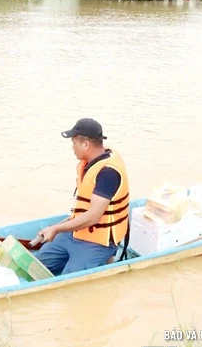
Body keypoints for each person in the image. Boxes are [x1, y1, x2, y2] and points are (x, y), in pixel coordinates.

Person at [33, 118, 130, 276]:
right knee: (36, 268)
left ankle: (106, 259)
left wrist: (56, 228)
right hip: (76, 232)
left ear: (86, 144)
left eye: (74, 143)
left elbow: (92, 217)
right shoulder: (88, 163)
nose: (73, 148)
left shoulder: (108, 172)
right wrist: (61, 226)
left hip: (97, 242)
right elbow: (81, 209)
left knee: (67, 280)